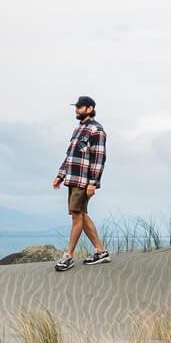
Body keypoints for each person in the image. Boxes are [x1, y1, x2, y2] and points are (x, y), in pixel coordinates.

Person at [52, 96, 110, 271]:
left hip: (83, 181)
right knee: (81, 215)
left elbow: (99, 158)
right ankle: (101, 251)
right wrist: (60, 175)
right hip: (72, 178)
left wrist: (93, 183)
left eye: (80, 107)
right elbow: (70, 156)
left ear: (90, 108)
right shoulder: (78, 129)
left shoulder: (97, 130)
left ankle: (68, 256)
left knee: (77, 215)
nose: (76, 110)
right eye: (76, 107)